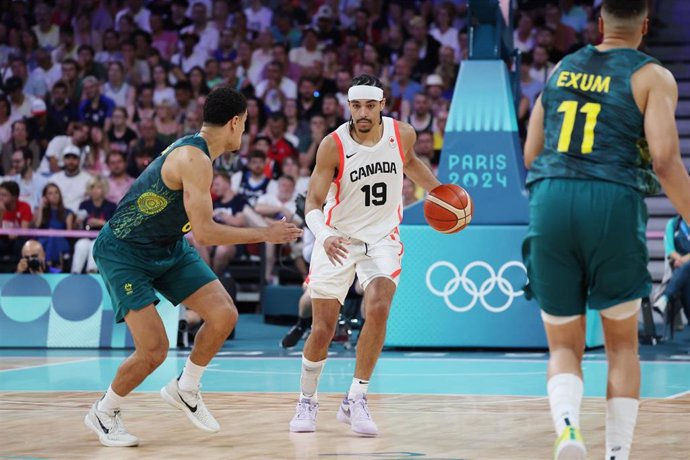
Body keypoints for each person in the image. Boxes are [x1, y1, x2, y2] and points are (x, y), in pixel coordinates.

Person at [84, 87, 302, 447]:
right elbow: (204, 231)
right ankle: (104, 412)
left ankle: (186, 387)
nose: (244, 132)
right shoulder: (194, 159)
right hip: (124, 252)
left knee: (223, 314)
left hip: (165, 245)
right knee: (154, 350)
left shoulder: (201, 153)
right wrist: (266, 233)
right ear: (234, 123)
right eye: (245, 125)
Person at [522, 1, 690, 459]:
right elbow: (665, 160)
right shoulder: (653, 76)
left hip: (551, 196)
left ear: (599, 24)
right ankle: (616, 453)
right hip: (612, 201)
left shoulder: (561, 68)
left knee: (563, 344)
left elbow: (531, 154)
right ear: (645, 26)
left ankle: (569, 431)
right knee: (621, 346)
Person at [289, 75, 441, 435]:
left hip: (382, 239)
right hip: (337, 240)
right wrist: (323, 235)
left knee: (378, 307)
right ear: (349, 106)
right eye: (356, 105)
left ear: (382, 105)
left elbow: (412, 162)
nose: (362, 112)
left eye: (370, 105)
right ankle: (306, 401)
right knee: (323, 328)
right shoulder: (332, 145)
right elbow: (312, 202)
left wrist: (442, 191)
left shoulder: (401, 134)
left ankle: (356, 397)